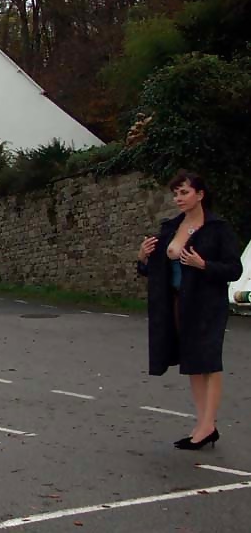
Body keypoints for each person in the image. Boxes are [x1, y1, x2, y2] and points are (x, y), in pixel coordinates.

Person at [137, 171, 242, 450]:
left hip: (208, 304)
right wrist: (143, 258)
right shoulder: (171, 227)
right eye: (176, 193)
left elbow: (234, 269)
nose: (178, 198)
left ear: (200, 194)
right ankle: (203, 424)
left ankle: (208, 425)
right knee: (192, 361)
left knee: (209, 361)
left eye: (184, 192)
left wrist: (203, 265)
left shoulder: (218, 228)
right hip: (176, 302)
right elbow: (156, 269)